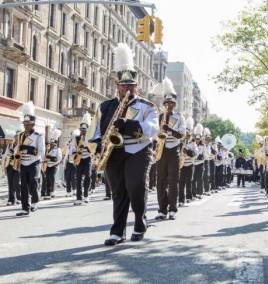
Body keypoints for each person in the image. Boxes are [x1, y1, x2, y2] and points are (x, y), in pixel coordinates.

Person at [88, 43, 159, 245]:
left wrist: (129, 125)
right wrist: (98, 147)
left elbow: (153, 130)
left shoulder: (147, 106)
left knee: (136, 186)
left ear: (137, 86)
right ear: (117, 86)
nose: (126, 89)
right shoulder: (105, 106)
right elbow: (95, 131)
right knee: (118, 192)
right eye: (123, 85)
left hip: (138, 150)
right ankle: (117, 231)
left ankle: (139, 221)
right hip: (113, 152)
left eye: (131, 85)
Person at [155, 78, 186, 220]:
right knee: (160, 181)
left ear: (174, 105)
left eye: (171, 104)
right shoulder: (159, 116)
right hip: (161, 150)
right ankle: (162, 209)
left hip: (174, 150)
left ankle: (173, 209)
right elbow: (154, 133)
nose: (168, 106)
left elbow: (181, 134)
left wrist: (170, 129)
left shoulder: (180, 117)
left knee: (173, 181)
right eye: (166, 103)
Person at [15, 101, 45, 216]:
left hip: (34, 162)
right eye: (25, 124)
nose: (26, 126)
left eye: (28, 124)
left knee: (33, 182)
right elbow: (18, 148)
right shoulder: (20, 135)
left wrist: (31, 151)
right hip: (23, 162)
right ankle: (25, 208)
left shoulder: (38, 136)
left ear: (33, 124)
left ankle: (35, 202)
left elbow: (42, 151)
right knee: (23, 186)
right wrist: (16, 155)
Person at [73, 113, 93, 205]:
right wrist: (76, 151)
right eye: (81, 129)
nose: (82, 131)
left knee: (88, 177)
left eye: (84, 129)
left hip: (87, 159)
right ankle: (78, 197)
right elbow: (73, 149)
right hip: (79, 159)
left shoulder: (90, 138)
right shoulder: (76, 138)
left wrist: (85, 146)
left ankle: (86, 195)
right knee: (78, 178)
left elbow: (92, 150)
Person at [179, 118, 197, 205]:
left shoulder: (193, 143)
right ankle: (181, 200)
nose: (186, 135)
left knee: (189, 182)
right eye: (185, 133)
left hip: (190, 165)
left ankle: (189, 197)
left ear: (189, 134)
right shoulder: (181, 142)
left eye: (187, 133)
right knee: (181, 183)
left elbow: (195, 154)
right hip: (181, 165)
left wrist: (188, 151)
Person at [44, 129, 63, 199]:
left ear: (55, 144)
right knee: (47, 179)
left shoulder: (58, 149)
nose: (51, 145)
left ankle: (53, 192)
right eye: (50, 143)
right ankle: (48, 193)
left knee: (52, 179)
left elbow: (59, 159)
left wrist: (52, 159)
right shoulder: (48, 149)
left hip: (54, 166)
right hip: (48, 166)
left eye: (52, 144)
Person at [4, 133, 21, 206]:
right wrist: (5, 158)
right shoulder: (9, 146)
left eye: (17, 138)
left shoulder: (20, 146)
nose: (16, 139)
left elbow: (21, 155)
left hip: (17, 166)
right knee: (10, 183)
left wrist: (13, 156)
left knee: (17, 183)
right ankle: (11, 199)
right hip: (9, 166)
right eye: (15, 137)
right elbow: (5, 154)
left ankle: (19, 199)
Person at [192, 123, 205, 199]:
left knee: (199, 179)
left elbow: (205, 155)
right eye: (196, 139)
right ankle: (193, 194)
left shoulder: (203, 146)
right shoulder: (192, 144)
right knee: (193, 179)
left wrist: (202, 157)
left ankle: (200, 193)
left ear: (200, 138)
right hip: (193, 163)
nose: (197, 140)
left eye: (198, 139)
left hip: (200, 163)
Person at [63, 131, 78, 197]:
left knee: (73, 177)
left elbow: (77, 152)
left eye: (73, 135)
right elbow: (66, 153)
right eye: (71, 135)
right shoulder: (68, 143)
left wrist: (74, 154)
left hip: (74, 162)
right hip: (68, 161)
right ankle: (68, 191)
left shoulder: (77, 143)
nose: (72, 137)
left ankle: (74, 190)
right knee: (67, 177)